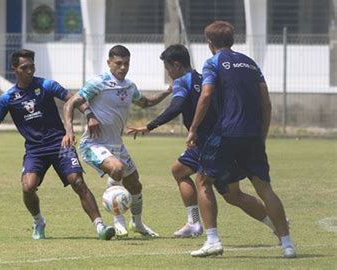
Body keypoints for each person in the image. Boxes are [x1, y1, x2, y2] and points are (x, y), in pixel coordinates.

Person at [127, 44, 282, 240]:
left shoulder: (182, 81)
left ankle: (274, 223)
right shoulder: (202, 78)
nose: (168, 74)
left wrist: (149, 126)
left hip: (211, 145)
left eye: (167, 69)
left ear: (176, 65)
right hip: (214, 140)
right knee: (180, 171)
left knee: (232, 195)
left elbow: (177, 106)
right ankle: (194, 223)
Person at [0, 49, 115, 241]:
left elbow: (73, 99)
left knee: (78, 181)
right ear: (14, 69)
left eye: (32, 67)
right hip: (35, 150)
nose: (30, 71)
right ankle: (38, 221)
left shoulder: (46, 85)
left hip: (60, 143)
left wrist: (89, 114)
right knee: (28, 187)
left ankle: (100, 226)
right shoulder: (8, 98)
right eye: (25, 68)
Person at [185, 21, 296, 258]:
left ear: (209, 43)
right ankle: (287, 244)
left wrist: (193, 128)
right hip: (252, 135)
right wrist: (262, 133)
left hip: (226, 132)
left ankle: (212, 240)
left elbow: (205, 96)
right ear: (232, 40)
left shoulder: (212, 63)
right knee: (264, 188)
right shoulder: (251, 64)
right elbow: (266, 103)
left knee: (202, 180)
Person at [63, 45, 171, 238]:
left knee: (136, 186)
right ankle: (118, 220)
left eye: (126, 63)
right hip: (93, 144)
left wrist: (168, 91)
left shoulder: (129, 86)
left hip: (116, 145)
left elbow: (146, 102)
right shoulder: (99, 82)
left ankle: (137, 224)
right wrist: (71, 130)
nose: (122, 67)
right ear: (109, 63)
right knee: (117, 169)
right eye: (118, 63)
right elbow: (71, 103)